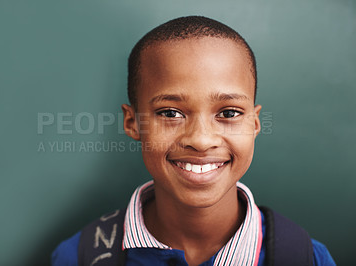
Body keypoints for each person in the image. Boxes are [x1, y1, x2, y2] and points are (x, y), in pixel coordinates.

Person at [52, 16, 336, 266]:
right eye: (171, 113)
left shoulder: (307, 258)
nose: (200, 140)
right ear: (132, 122)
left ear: (254, 123)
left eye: (228, 113)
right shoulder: (80, 257)